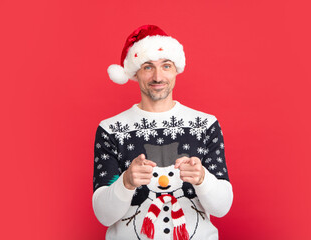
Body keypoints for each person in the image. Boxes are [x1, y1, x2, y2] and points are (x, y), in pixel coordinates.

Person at [92, 25, 233, 240]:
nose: (158, 77)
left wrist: (203, 179)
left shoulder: (205, 125)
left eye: (166, 66)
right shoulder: (110, 130)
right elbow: (103, 216)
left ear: (176, 69)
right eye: (148, 67)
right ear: (135, 72)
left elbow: (222, 208)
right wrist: (126, 182)